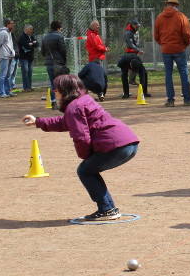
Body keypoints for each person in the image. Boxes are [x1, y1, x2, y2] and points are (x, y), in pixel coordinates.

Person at [23, 74, 139, 221]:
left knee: (85, 170)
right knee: (89, 169)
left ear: (65, 91)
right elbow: (66, 122)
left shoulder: (74, 108)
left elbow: (81, 137)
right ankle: (108, 209)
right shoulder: (84, 100)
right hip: (129, 142)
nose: (54, 92)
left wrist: (85, 156)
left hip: (116, 145)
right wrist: (38, 122)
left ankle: (106, 209)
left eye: (56, 89)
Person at [153, 0, 190, 107]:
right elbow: (186, 33)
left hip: (166, 49)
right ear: (176, 5)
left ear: (167, 5)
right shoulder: (180, 16)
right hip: (179, 48)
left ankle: (170, 100)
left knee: (168, 74)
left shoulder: (159, 17)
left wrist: (163, 43)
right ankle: (187, 99)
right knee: (184, 73)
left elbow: (156, 35)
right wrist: (185, 44)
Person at [42, 20, 67, 109]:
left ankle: (53, 102)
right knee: (61, 82)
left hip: (49, 63)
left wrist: (48, 58)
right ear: (58, 28)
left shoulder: (45, 37)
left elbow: (43, 51)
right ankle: (63, 101)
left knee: (53, 83)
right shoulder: (59, 37)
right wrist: (64, 60)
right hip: (58, 62)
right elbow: (63, 50)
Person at [0, 18, 16, 98]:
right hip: (5, 56)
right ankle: (1, 92)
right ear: (7, 24)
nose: (13, 25)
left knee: (8, 74)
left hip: (10, 55)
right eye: (11, 23)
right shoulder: (3, 33)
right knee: (3, 75)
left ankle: (8, 91)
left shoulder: (9, 33)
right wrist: (3, 52)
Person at [17, 24, 39, 92]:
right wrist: (32, 43)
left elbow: (37, 44)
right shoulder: (22, 37)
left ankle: (29, 86)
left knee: (30, 72)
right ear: (26, 30)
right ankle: (25, 87)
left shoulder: (31, 36)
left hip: (30, 57)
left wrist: (31, 43)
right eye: (30, 29)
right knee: (25, 72)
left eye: (32, 29)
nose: (32, 31)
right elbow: (26, 46)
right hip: (24, 57)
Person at [123, 19, 143, 89]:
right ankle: (131, 81)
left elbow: (136, 42)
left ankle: (132, 80)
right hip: (130, 51)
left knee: (135, 65)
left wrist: (138, 50)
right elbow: (130, 44)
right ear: (133, 25)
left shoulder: (135, 31)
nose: (137, 27)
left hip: (135, 50)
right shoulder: (128, 33)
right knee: (134, 64)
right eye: (136, 26)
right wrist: (137, 50)